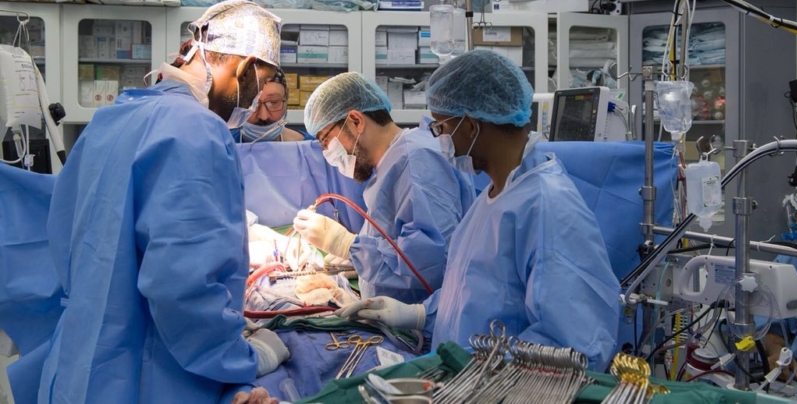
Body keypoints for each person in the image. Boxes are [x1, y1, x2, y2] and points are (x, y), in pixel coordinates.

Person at [37, 0, 289, 404]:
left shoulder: (114, 117)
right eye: (258, 88)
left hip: (80, 362)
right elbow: (183, 285)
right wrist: (242, 357)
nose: (254, 103)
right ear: (244, 68)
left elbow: (66, 235)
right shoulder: (197, 129)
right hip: (148, 375)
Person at [337, 51, 621, 371]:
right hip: (469, 379)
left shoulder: (547, 208)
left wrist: (477, 373)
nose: (440, 141)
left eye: (441, 128)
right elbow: (470, 295)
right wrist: (420, 314)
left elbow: (573, 345)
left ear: (471, 126)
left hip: (507, 387)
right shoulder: (494, 197)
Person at [292, 72, 475, 304]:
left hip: (422, 319)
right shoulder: (392, 162)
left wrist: (347, 245)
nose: (328, 152)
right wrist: (360, 259)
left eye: (325, 140)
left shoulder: (416, 162)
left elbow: (428, 266)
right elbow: (399, 244)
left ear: (356, 121)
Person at [232, 67, 312, 143]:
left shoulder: (311, 148)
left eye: (273, 102)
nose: (263, 116)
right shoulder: (225, 146)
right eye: (252, 103)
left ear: (286, 96)